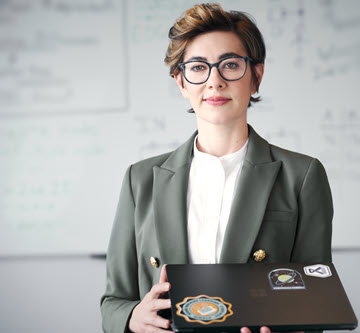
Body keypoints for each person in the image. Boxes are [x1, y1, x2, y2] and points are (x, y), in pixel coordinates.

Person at [101, 3, 333, 333]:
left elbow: (317, 303)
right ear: (181, 82)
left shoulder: (303, 175)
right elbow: (113, 303)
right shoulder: (140, 180)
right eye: (198, 67)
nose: (215, 81)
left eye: (230, 65)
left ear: (256, 76)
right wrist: (132, 318)